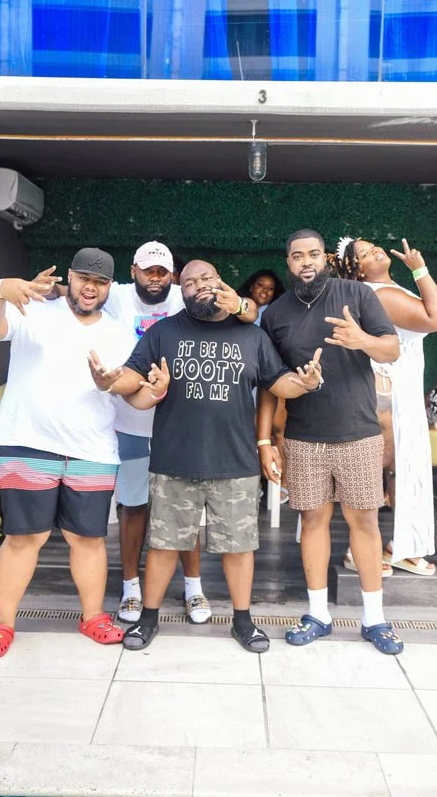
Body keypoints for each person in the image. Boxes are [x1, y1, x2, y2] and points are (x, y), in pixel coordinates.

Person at [88, 259, 324, 654]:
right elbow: (133, 373)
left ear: (220, 282)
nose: (199, 286)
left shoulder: (250, 335)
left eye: (206, 279)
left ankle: (243, 621)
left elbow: (277, 380)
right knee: (163, 545)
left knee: (238, 546)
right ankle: (148, 619)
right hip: (174, 461)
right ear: (181, 289)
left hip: (234, 462)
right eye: (190, 282)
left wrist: (304, 383)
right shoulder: (164, 332)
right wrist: (111, 381)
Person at [0, 248, 152, 658]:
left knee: (87, 538)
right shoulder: (33, 311)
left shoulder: (120, 335)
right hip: (26, 442)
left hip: (92, 450)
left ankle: (92, 617)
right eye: (84, 278)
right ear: (70, 278)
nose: (91, 287)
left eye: (100, 281)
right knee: (24, 538)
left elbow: (136, 393)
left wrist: (145, 389)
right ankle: (1, 623)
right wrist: (0, 289)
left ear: (110, 287)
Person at [258, 229, 404, 656]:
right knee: (313, 523)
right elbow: (270, 383)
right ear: (288, 262)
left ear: (325, 258)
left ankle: (374, 618)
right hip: (304, 437)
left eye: (314, 254)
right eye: (297, 255)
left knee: (365, 523)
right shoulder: (276, 314)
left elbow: (392, 348)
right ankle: (318, 614)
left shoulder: (355, 295)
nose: (306, 261)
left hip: (358, 432)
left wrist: (362, 341)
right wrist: (266, 439)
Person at [99, 241, 259, 624]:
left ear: (173, 276)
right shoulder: (116, 296)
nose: (155, 278)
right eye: (147, 270)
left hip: (185, 429)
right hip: (136, 425)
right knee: (134, 508)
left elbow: (249, 311)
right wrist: (109, 381)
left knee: (187, 515)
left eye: (162, 272)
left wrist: (239, 305)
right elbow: (75, 295)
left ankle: (193, 587)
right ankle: (131, 589)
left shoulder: (190, 291)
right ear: (133, 270)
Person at [334, 237, 437, 576]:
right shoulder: (380, 294)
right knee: (388, 468)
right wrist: (420, 269)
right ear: (358, 271)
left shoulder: (383, 289)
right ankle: (365, 550)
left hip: (400, 385)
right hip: (392, 389)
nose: (376, 251)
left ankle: (399, 545)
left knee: (398, 468)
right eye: (366, 254)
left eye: (373, 247)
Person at [238, 268, 288, 501]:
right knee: (247, 431)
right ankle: (254, 483)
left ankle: (280, 484)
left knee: (275, 430)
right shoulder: (238, 310)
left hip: (269, 377)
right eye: (261, 286)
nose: (265, 291)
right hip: (243, 378)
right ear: (251, 286)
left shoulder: (277, 313)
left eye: (270, 288)